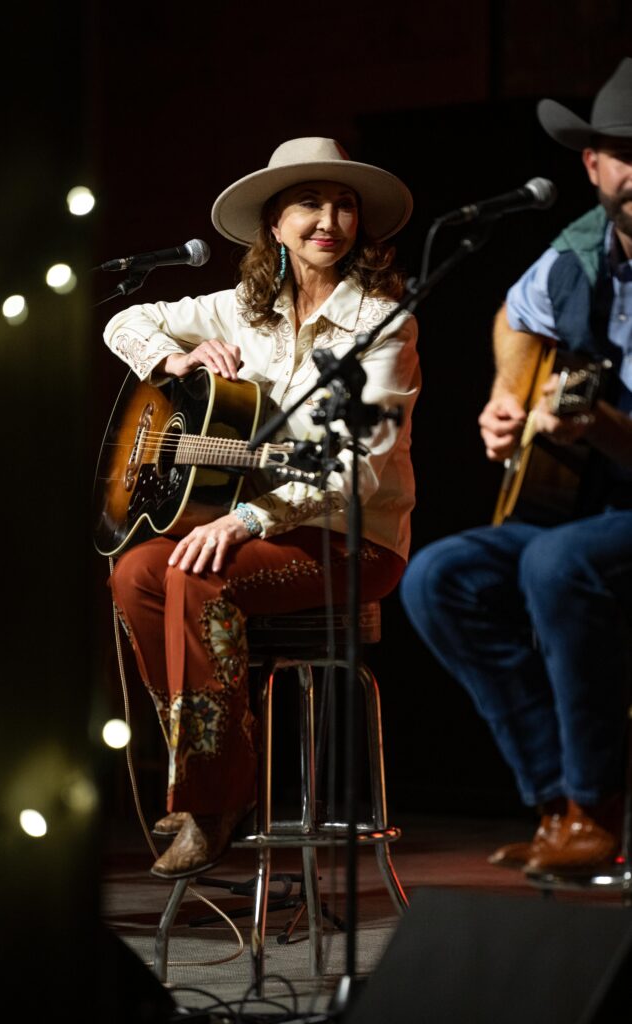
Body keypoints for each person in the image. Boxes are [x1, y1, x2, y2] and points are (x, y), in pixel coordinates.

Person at [103, 137, 420, 879]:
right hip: (257, 534)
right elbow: (127, 321)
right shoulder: (241, 311)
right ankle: (211, 769)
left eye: (343, 204)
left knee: (188, 576)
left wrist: (243, 519)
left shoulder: (384, 322)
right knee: (135, 573)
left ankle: (214, 799)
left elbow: (356, 469)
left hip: (353, 543)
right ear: (272, 226)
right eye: (308, 203)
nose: (329, 219)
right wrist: (172, 361)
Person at [401, 58, 632, 874]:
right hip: (586, 507)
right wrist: (508, 393)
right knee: (437, 578)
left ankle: (596, 801)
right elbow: (513, 312)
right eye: (620, 151)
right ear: (591, 164)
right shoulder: (578, 251)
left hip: (600, 519)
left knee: (553, 561)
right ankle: (556, 808)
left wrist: (603, 430)